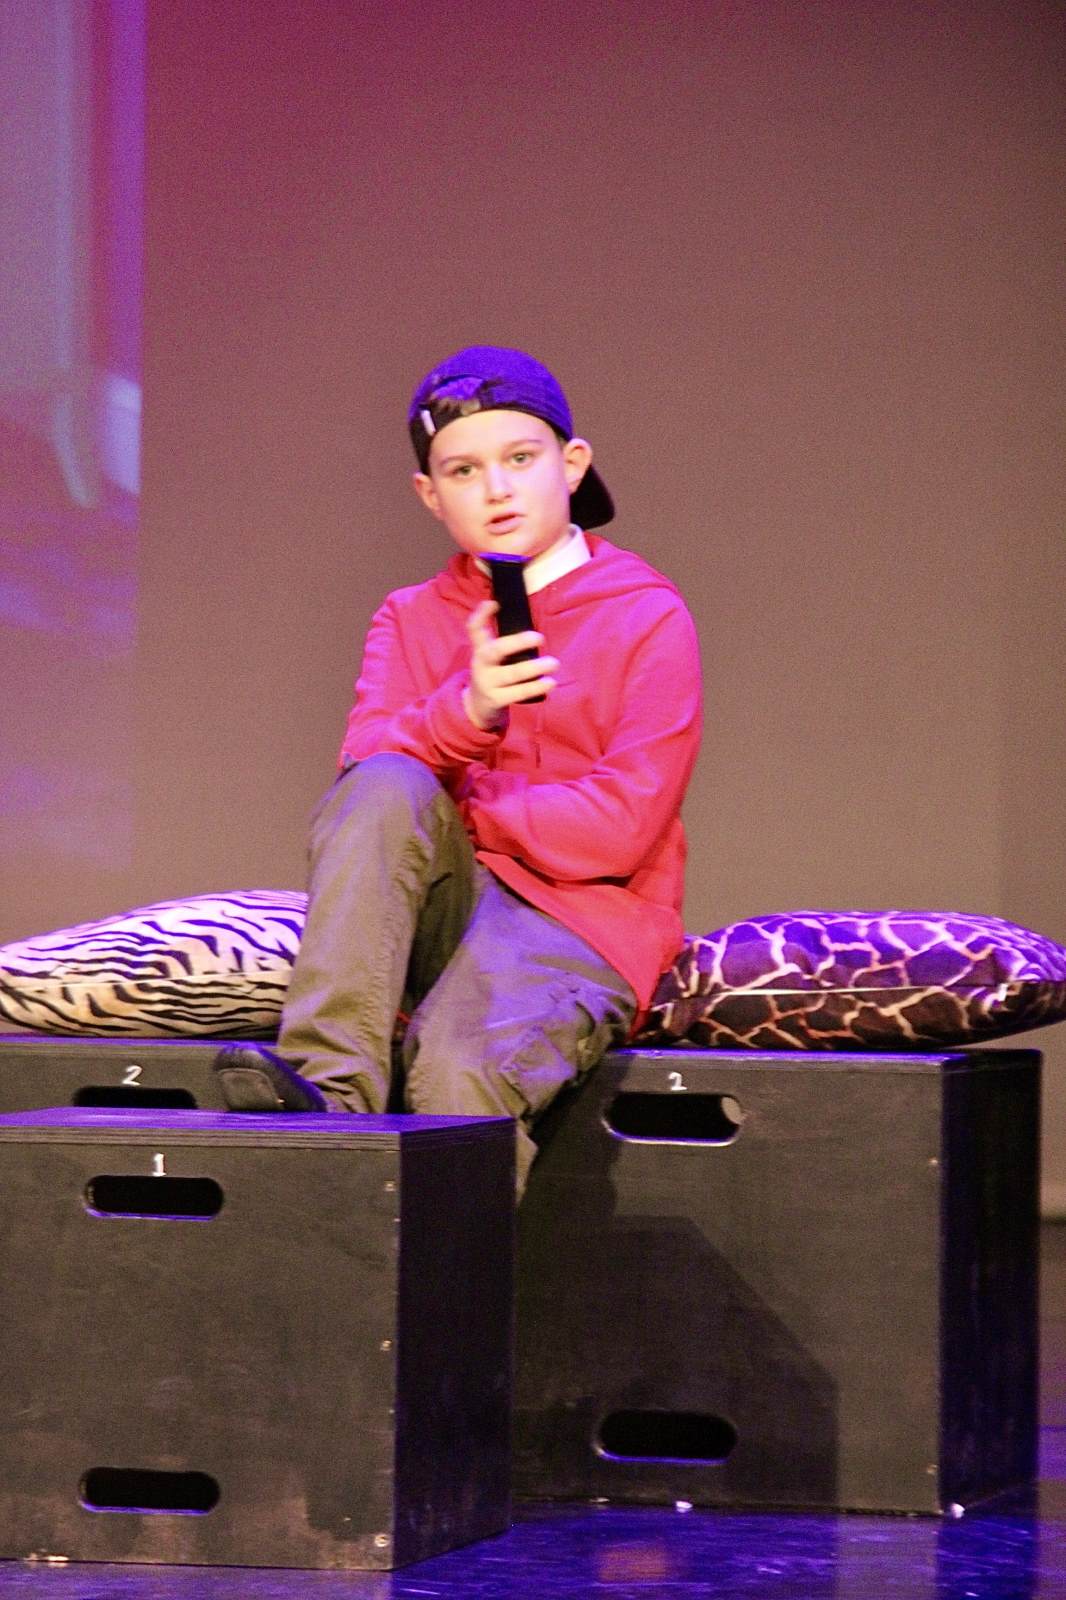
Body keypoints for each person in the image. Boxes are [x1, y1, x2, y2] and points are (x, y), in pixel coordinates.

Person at [214, 345, 702, 1193]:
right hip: (452, 911)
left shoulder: (647, 615)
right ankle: (330, 1098)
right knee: (383, 784)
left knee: (454, 1077)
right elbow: (366, 788)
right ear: (430, 495)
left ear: (572, 465)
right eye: (464, 471)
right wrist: (468, 711)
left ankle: (448, 1281)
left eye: (521, 459)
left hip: (578, 923)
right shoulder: (409, 617)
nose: (497, 489)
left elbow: (618, 832)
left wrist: (470, 801)